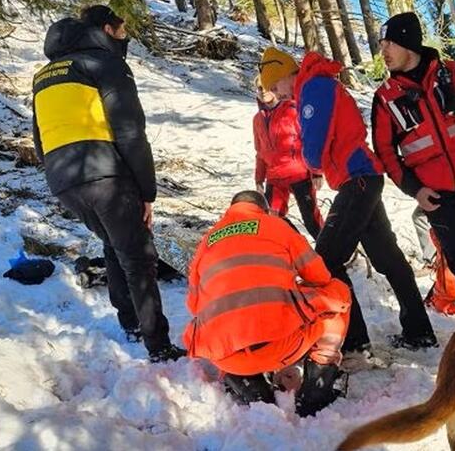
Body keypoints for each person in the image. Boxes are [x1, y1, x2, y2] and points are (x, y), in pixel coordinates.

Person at [31, 4, 185, 363]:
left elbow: (39, 137)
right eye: (122, 30)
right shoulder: (107, 64)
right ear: (106, 29)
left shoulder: (44, 74)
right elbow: (130, 132)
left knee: (115, 245)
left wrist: (59, 175)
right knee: (138, 256)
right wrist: (147, 191)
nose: (126, 36)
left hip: (63, 180)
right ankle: (159, 346)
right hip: (105, 174)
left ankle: (130, 322)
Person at [259, 46, 436, 354]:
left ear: (287, 73)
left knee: (326, 259)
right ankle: (418, 332)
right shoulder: (314, 86)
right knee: (387, 257)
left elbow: (314, 142)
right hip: (361, 178)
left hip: (358, 179)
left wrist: (313, 163)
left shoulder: (314, 86)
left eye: (276, 86)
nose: (277, 94)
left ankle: (354, 339)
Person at [371, 12, 455, 319]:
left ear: (408, 44)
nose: (383, 52)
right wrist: (415, 190)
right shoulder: (385, 98)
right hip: (436, 197)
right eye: (381, 44)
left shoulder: (451, 74)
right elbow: (386, 152)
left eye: (389, 44)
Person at [183, 191, 351, 417]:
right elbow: (320, 277)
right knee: (337, 293)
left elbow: (195, 306)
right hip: (282, 346)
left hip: (225, 356)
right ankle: (317, 384)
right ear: (264, 210)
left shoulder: (206, 242)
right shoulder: (276, 226)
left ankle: (244, 379)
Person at [252, 75, 324, 238]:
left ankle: (331, 258)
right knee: (274, 218)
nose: (262, 91)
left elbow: (310, 141)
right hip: (274, 178)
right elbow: (260, 152)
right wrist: (259, 180)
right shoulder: (257, 120)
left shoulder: (292, 110)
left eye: (265, 86)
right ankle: (300, 247)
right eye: (258, 88)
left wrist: (317, 172)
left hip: (299, 174)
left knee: (311, 221)